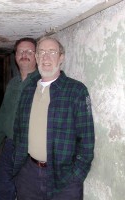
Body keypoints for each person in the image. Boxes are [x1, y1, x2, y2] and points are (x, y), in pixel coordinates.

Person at [13, 36, 95, 200]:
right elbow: (18, 130)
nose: (46, 57)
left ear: (61, 58)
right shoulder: (28, 90)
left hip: (63, 178)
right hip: (28, 174)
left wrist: (76, 177)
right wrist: (19, 166)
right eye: (41, 52)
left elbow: (86, 141)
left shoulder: (76, 91)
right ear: (36, 58)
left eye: (52, 52)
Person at [0, 37, 40, 200]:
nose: (24, 54)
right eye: (20, 51)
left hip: (32, 150)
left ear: (37, 56)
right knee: (2, 191)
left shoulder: (43, 83)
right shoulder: (13, 83)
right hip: (10, 146)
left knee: (27, 192)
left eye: (29, 51)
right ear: (15, 56)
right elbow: (4, 115)